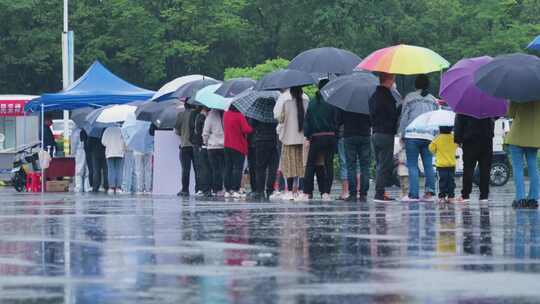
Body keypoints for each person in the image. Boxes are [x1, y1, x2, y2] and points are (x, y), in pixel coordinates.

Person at [398, 74, 438, 202]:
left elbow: (404, 117)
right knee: (428, 165)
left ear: (416, 85)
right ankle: (430, 193)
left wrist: (401, 134)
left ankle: (413, 195)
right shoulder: (433, 100)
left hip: (412, 135)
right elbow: (436, 118)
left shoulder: (410, 97)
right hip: (428, 136)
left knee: (412, 165)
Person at [297, 80, 337, 202]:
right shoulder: (332, 102)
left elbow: (307, 121)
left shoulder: (312, 102)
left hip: (315, 137)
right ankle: (326, 192)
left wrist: (308, 136)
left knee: (310, 165)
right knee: (328, 165)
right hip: (330, 136)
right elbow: (336, 121)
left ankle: (307, 192)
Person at [369, 73, 401, 202]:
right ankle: (379, 193)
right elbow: (391, 116)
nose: (394, 83)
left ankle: (380, 191)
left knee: (379, 163)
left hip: (375, 133)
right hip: (385, 134)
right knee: (384, 165)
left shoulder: (373, 96)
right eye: (393, 79)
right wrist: (399, 108)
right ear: (389, 80)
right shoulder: (387, 97)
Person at [273, 87, 309, 201]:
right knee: (301, 165)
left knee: (289, 166)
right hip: (302, 138)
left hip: (289, 138)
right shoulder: (307, 101)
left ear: (291, 93)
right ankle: (299, 190)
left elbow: (281, 119)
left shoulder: (286, 103)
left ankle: (288, 192)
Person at [454, 114, 495, 202]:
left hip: (470, 141)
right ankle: (484, 195)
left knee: (468, 168)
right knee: (485, 169)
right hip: (486, 140)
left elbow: (458, 123)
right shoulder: (489, 104)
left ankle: (465, 195)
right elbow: (495, 117)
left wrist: (458, 140)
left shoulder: (464, 106)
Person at [507, 102, 540, 209]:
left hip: (517, 136)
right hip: (533, 137)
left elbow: (511, 114)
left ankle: (520, 198)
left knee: (518, 168)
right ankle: (533, 199)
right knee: (533, 166)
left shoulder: (518, 92)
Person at [335, 106, 371, 202]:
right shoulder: (368, 102)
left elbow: (338, 120)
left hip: (349, 135)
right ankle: (363, 194)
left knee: (351, 166)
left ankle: (353, 194)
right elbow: (373, 120)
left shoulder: (345, 103)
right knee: (365, 166)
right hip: (365, 135)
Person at [249, 108, 279, 200]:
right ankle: (270, 189)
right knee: (272, 167)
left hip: (260, 141)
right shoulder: (275, 111)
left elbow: (251, 125)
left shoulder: (257, 111)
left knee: (260, 167)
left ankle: (260, 190)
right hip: (273, 141)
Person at [223, 105, 253, 198]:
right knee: (238, 168)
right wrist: (251, 127)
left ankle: (227, 190)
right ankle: (235, 189)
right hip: (238, 146)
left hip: (227, 145)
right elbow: (246, 129)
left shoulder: (225, 114)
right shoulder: (240, 116)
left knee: (228, 167)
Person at [429, 126, 458, 203]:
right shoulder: (453, 137)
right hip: (451, 164)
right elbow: (457, 145)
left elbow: (431, 149)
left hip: (441, 164)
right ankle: (451, 197)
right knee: (451, 181)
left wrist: (437, 152)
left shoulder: (437, 138)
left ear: (440, 129)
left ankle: (442, 197)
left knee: (442, 181)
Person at [174, 103, 196, 197]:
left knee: (185, 169)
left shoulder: (180, 115)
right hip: (195, 146)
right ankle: (199, 189)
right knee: (198, 169)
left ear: (185, 105)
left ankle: (185, 189)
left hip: (184, 145)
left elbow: (177, 131)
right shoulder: (197, 114)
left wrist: (183, 135)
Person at [203, 109, 225, 196]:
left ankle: (216, 189)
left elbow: (205, 132)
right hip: (224, 146)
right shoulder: (225, 114)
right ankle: (223, 188)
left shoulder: (210, 116)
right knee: (224, 169)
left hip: (212, 147)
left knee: (215, 169)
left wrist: (205, 142)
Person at [191, 107, 212, 197]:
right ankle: (204, 188)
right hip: (201, 145)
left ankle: (201, 188)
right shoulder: (202, 117)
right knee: (204, 168)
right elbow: (201, 132)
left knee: (201, 168)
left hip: (198, 145)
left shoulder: (197, 115)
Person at [101, 126, 126, 194]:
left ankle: (111, 187)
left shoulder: (107, 130)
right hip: (120, 152)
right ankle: (118, 187)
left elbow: (103, 142)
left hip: (109, 152)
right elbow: (125, 140)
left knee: (111, 169)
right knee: (119, 170)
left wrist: (109, 144)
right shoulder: (121, 130)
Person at [71, 126, 90, 193]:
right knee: (87, 169)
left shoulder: (76, 131)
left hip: (79, 150)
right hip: (88, 150)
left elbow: (74, 143)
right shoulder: (89, 129)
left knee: (79, 169)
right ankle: (86, 187)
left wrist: (73, 153)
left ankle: (79, 187)